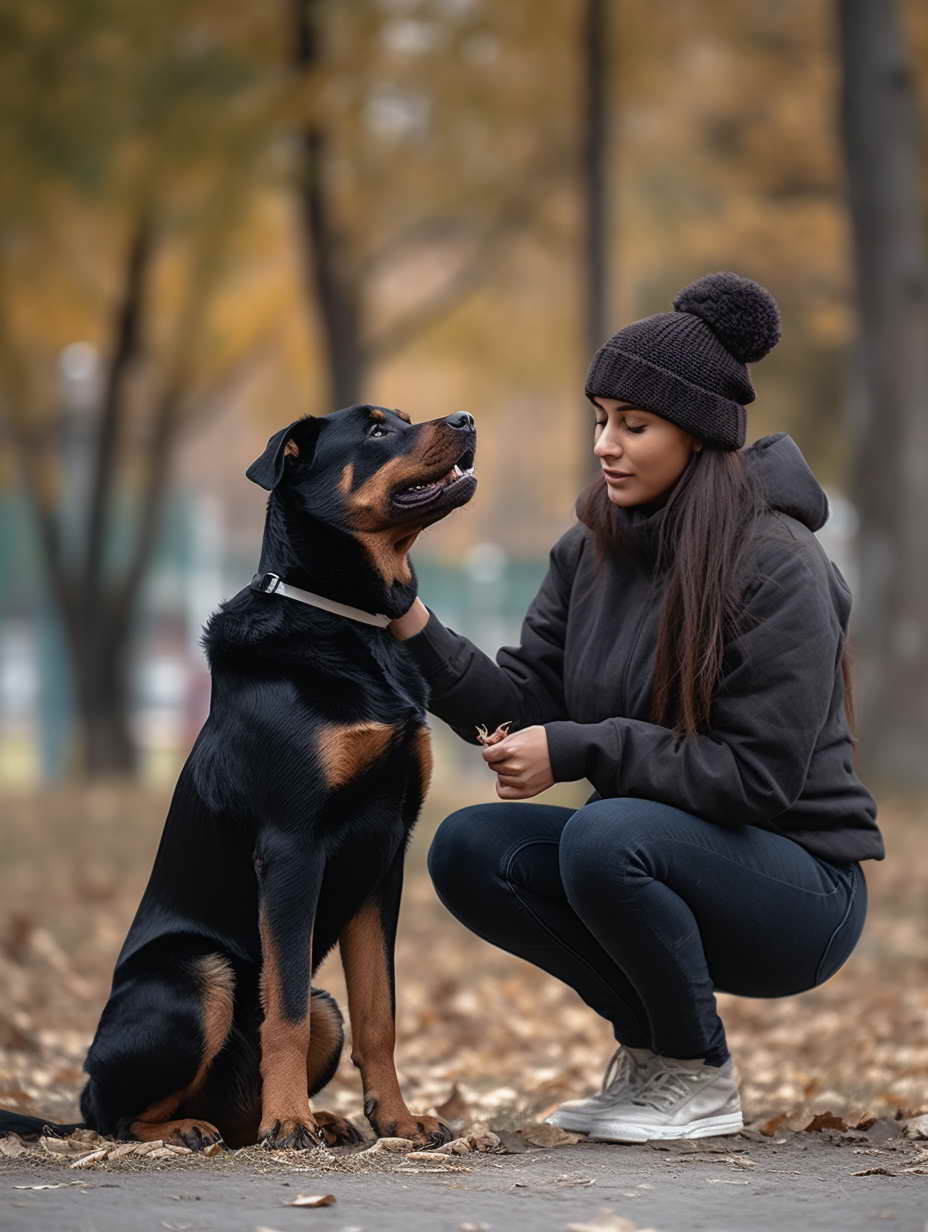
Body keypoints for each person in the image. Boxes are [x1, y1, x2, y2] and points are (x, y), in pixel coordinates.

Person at [387, 271, 885, 1144]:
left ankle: (697, 1073)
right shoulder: (591, 549)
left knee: (606, 831)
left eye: (635, 424)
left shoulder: (777, 562)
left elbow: (757, 780)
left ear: (697, 436)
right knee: (469, 847)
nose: (606, 445)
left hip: (796, 890)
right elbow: (520, 703)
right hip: (652, 855)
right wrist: (407, 616)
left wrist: (581, 748)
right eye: (600, 420)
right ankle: (655, 1057)